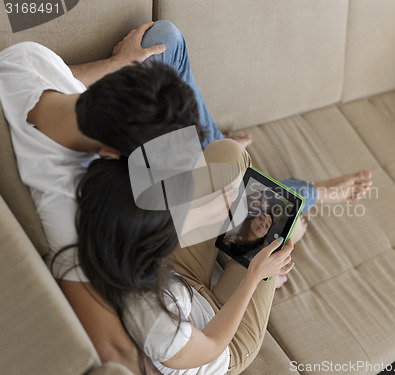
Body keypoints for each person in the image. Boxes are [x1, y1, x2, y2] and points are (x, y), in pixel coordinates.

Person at [0, 20, 372, 373]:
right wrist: (255, 274)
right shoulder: (73, 224)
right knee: (266, 224)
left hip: (172, 277)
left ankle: (239, 195)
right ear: (115, 159)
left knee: (223, 152)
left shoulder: (22, 60)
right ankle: (304, 199)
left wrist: (119, 63)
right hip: (201, 326)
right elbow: (128, 352)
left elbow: (62, 80)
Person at [58, 137, 294, 375]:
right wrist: (254, 277)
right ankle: (262, 274)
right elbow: (213, 345)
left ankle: (240, 252)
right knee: (274, 246)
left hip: (177, 276)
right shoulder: (157, 327)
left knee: (228, 152)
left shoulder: (92, 240)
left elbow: (148, 228)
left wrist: (200, 212)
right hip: (221, 339)